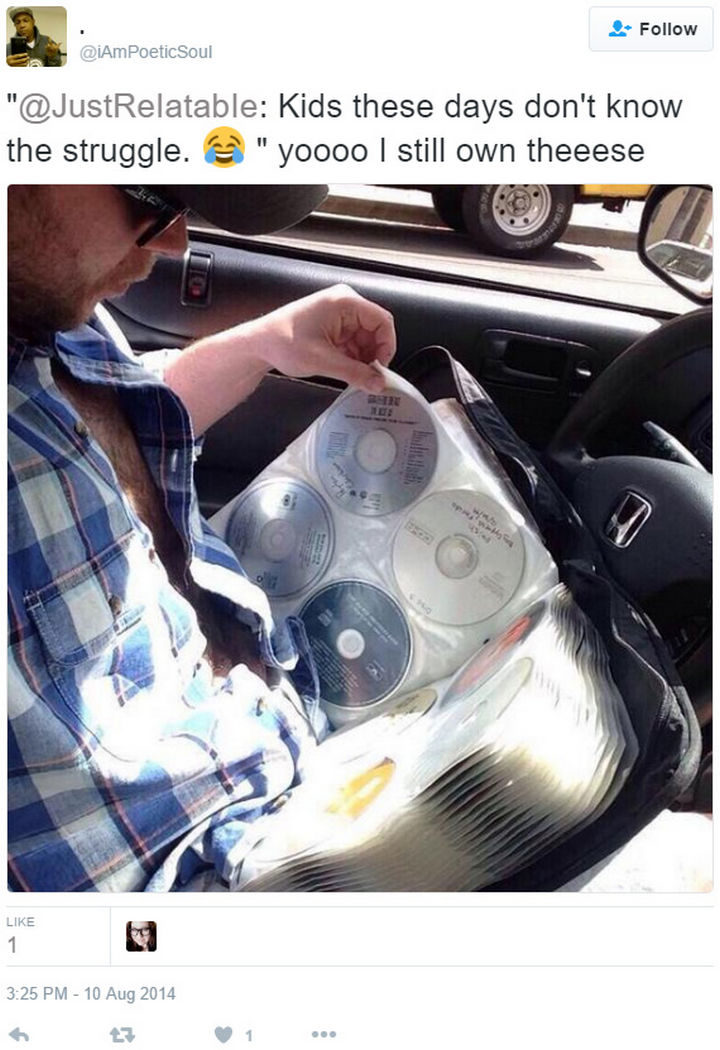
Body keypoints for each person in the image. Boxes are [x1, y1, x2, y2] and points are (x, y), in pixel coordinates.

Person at [8, 185, 396, 892]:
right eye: (149, 193)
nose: (174, 241)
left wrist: (263, 344)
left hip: (305, 755)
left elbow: (100, 439)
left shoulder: (49, 311)